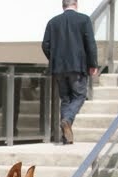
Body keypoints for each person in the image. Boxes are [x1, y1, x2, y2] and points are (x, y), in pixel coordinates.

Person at [42, 1, 99, 145]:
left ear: (63, 5)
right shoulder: (84, 20)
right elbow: (90, 43)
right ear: (76, 4)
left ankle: (66, 137)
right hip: (77, 66)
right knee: (80, 96)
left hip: (59, 68)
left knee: (66, 99)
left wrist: (54, 59)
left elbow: (45, 45)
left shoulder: (52, 22)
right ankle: (67, 120)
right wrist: (93, 64)